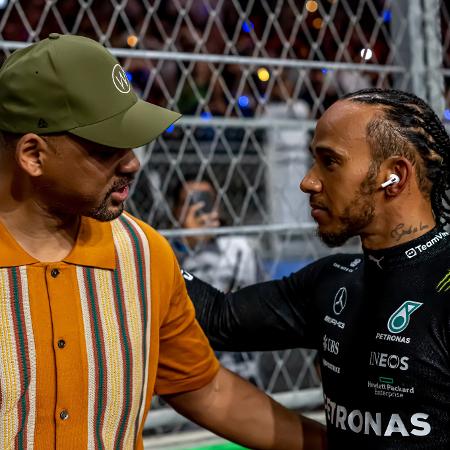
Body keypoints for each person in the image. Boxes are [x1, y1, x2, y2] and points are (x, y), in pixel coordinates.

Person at [0, 33, 316, 450]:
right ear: (34, 155)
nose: (132, 162)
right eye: (105, 148)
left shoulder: (144, 252)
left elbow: (206, 391)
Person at [184, 88, 450, 449]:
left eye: (330, 161)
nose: (307, 181)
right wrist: (135, 241)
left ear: (393, 177)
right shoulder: (332, 280)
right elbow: (218, 317)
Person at [172, 177, 261, 292]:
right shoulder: (166, 248)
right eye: (191, 202)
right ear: (176, 210)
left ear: (217, 207)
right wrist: (190, 241)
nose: (200, 209)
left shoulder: (240, 247)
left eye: (206, 201)